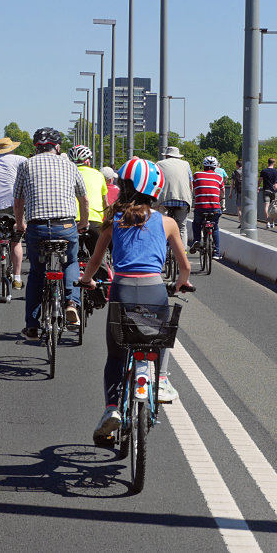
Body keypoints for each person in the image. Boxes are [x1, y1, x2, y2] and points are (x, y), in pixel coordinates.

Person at [79, 158, 192, 444]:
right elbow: (185, 267)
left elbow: (95, 261)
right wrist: (181, 283)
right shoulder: (167, 222)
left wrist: (86, 281)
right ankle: (162, 380)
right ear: (156, 189)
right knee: (159, 338)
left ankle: (112, 409)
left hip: (122, 290)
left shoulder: (112, 220)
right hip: (154, 290)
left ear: (124, 187)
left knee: (116, 355)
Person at [13, 127, 89, 338]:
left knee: (37, 272)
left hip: (36, 226)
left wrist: (20, 224)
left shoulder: (26, 165)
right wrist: (83, 222)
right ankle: (71, 302)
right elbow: (83, 199)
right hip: (65, 226)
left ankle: (32, 324)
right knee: (71, 262)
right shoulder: (70, 165)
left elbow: (18, 202)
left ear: (36, 147)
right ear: (57, 147)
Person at [0, 136, 27, 289]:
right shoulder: (21, 160)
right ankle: (17, 277)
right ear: (12, 148)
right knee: (16, 241)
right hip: (15, 204)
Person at [69, 145, 108, 261]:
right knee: (98, 256)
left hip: (71, 221)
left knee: (68, 258)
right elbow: (105, 202)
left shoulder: (67, 174)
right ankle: (101, 275)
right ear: (88, 162)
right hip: (94, 221)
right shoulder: (98, 175)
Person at [156, 145, 193, 251]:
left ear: (166, 155)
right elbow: (191, 183)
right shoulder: (186, 164)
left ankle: (162, 252)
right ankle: (183, 253)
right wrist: (189, 196)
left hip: (164, 200)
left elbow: (156, 181)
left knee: (161, 227)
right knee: (182, 227)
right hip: (183, 199)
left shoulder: (159, 164)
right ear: (178, 156)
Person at [190, 156, 225, 259]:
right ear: (215, 167)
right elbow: (222, 192)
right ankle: (217, 252)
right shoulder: (219, 177)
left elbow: (191, 187)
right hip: (215, 208)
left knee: (196, 223)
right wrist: (221, 199)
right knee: (215, 227)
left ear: (204, 165)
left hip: (200, 207)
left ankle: (197, 240)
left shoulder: (197, 174)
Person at [259, 157, 277, 229]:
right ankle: (272, 222)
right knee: (273, 207)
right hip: (274, 191)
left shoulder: (264, 171)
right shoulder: (276, 171)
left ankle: (267, 223)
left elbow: (260, 180)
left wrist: (258, 187)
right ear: (274, 163)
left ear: (268, 162)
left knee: (266, 206)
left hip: (266, 190)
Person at [229, 159, 243, 227]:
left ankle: (242, 223)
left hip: (239, 192)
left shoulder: (235, 172)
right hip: (248, 193)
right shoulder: (247, 171)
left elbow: (232, 184)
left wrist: (230, 193)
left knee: (239, 208)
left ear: (237, 165)